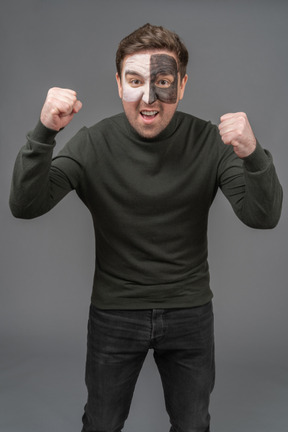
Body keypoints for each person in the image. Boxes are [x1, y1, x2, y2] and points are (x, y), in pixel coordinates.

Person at [9, 23, 282, 432]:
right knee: (101, 424)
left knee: (193, 425)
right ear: (118, 84)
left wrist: (252, 154)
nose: (149, 97)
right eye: (135, 81)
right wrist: (45, 131)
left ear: (183, 85)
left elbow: (263, 216)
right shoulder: (92, 143)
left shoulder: (209, 142)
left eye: (164, 82)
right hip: (115, 314)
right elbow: (25, 205)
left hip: (189, 312)